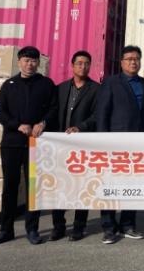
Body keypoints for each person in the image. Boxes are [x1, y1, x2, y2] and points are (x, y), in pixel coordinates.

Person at [0, 46, 58, 245]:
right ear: (19, 62)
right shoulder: (9, 84)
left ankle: (32, 229)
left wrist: (43, 123)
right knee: (10, 187)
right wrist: (17, 125)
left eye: (34, 60)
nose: (30, 64)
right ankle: (6, 230)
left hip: (36, 145)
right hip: (11, 144)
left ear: (38, 63)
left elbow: (54, 108)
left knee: (33, 188)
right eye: (26, 60)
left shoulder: (46, 84)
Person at [95, 45, 144, 244]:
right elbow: (102, 113)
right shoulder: (111, 83)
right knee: (110, 186)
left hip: (139, 146)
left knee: (133, 186)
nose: (133, 62)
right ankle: (109, 228)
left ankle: (128, 225)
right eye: (129, 59)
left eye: (136, 59)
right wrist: (102, 141)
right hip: (115, 144)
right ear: (121, 62)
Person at [50, 50, 99, 242]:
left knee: (81, 186)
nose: (83, 67)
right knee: (58, 186)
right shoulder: (60, 88)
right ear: (72, 65)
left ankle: (79, 227)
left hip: (82, 144)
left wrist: (81, 127)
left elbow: (97, 115)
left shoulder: (96, 89)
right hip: (60, 145)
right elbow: (52, 112)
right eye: (79, 63)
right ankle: (58, 226)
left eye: (86, 63)